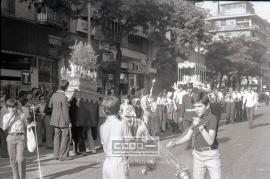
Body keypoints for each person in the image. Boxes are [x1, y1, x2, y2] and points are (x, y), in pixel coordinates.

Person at [166, 92, 221, 179]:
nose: (196, 109)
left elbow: (210, 141)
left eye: (199, 106)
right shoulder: (196, 117)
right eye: (194, 106)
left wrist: (200, 126)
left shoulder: (212, 118)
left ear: (207, 106)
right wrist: (175, 143)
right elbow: (188, 136)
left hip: (211, 155)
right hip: (197, 155)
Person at [3, 98, 36, 179]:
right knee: (13, 160)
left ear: (16, 107)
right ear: (7, 108)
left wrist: (31, 125)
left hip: (20, 137)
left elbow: (26, 125)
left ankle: (22, 177)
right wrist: (11, 117)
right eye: (10, 107)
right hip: (10, 137)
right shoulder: (6, 116)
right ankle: (16, 177)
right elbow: (4, 128)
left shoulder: (22, 115)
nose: (12, 109)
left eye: (13, 107)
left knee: (20, 159)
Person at [100, 96, 131, 179]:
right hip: (119, 162)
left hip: (107, 162)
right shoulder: (123, 123)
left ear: (104, 110)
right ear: (118, 109)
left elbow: (105, 147)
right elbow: (128, 143)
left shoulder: (102, 127)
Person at [49, 80, 72, 161]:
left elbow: (50, 105)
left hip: (55, 119)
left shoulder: (54, 95)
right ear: (66, 87)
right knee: (65, 136)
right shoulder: (64, 97)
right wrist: (68, 121)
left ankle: (56, 155)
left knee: (56, 137)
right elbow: (65, 111)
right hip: (63, 120)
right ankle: (63, 155)